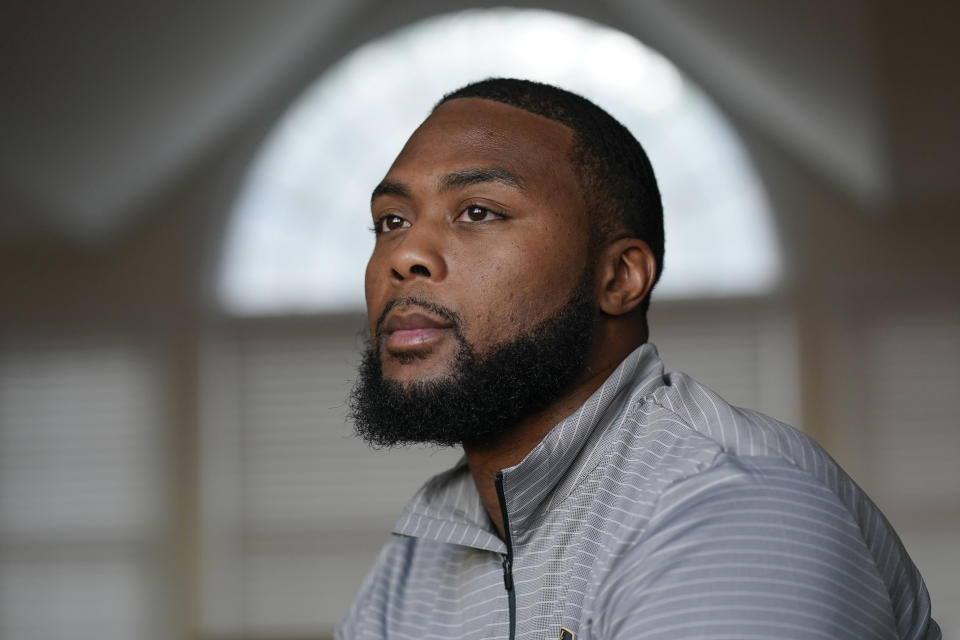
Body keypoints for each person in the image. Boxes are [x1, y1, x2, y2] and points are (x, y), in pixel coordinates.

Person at [338, 78, 939, 640]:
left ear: (620, 277)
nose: (405, 253)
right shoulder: (415, 557)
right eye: (390, 221)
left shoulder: (727, 508)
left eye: (478, 211)